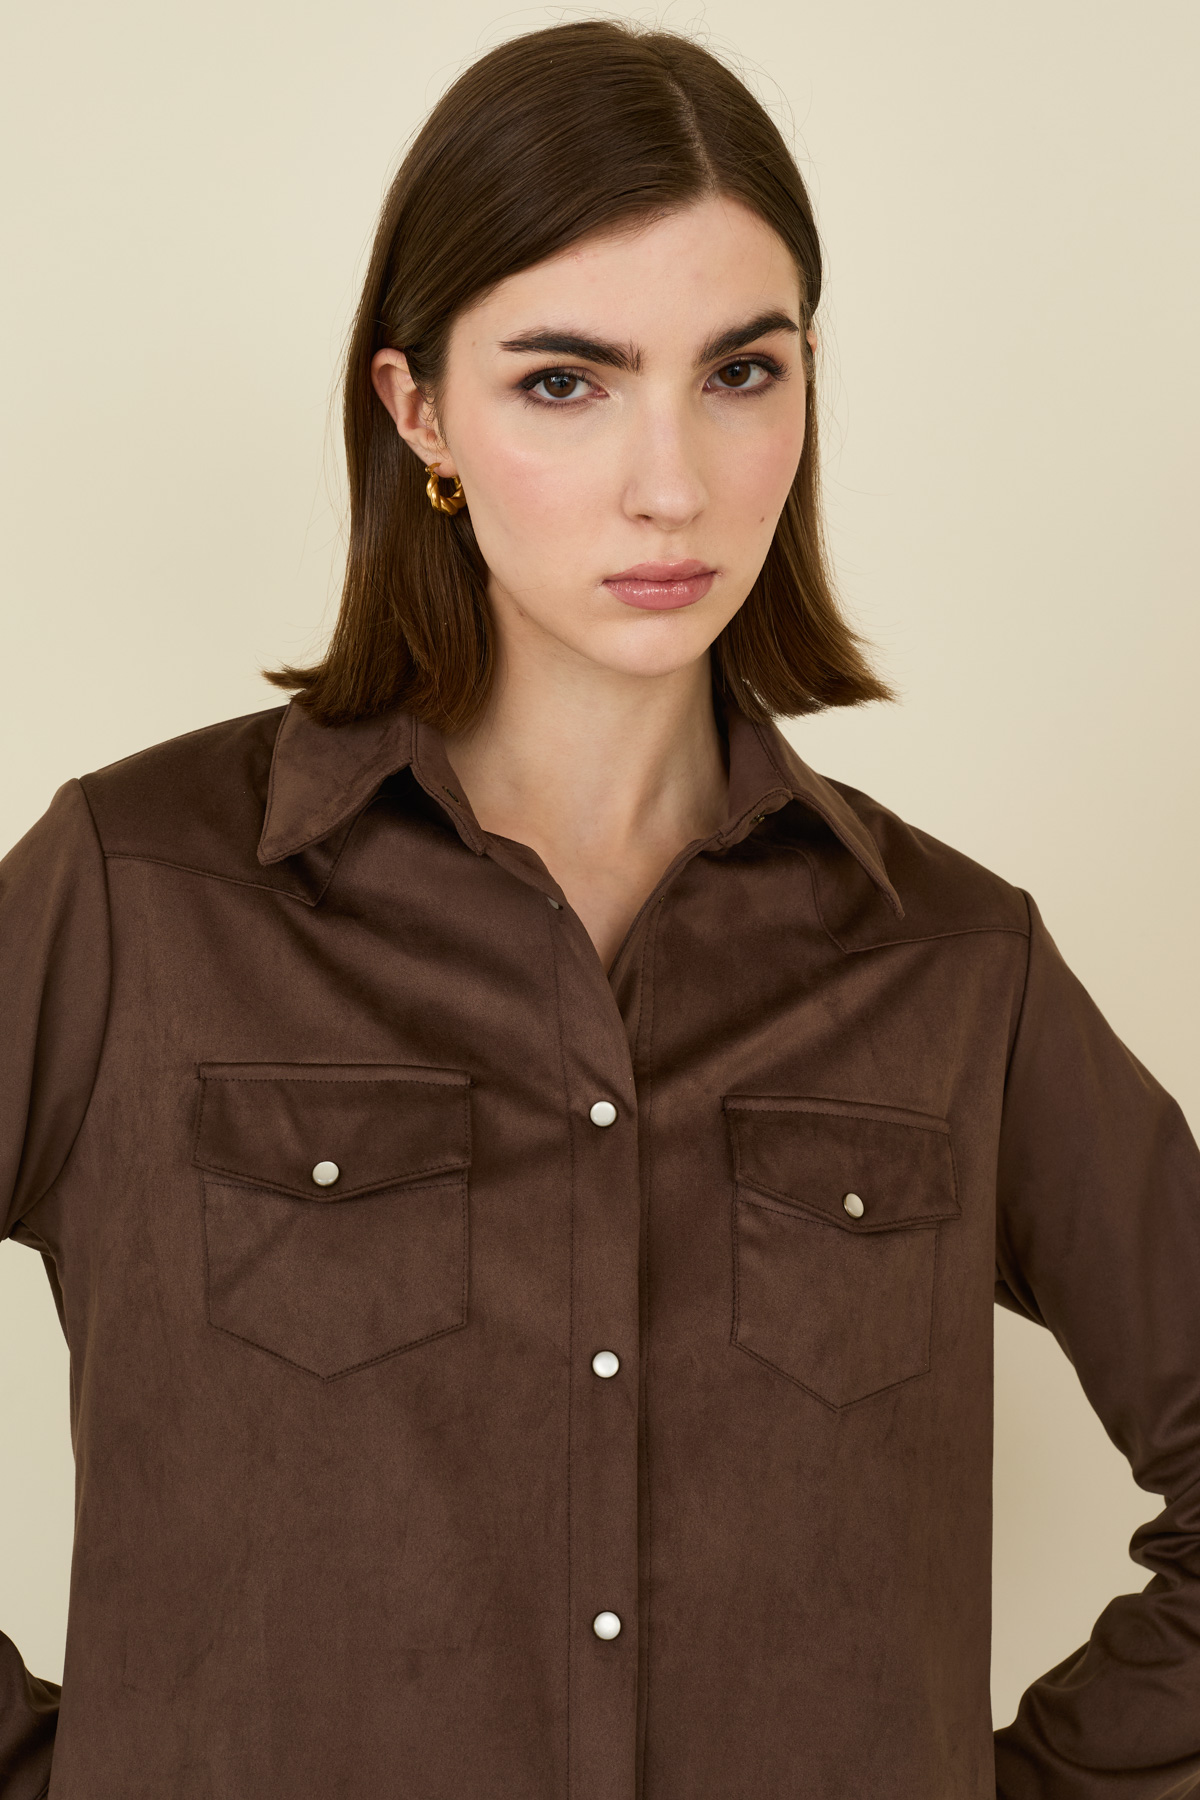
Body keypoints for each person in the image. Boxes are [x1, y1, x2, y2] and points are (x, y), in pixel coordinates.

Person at [1, 17, 1197, 1799]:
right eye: (567, 381)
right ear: (419, 409)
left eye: (741, 373)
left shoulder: (955, 966)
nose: (673, 482)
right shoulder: (136, 895)